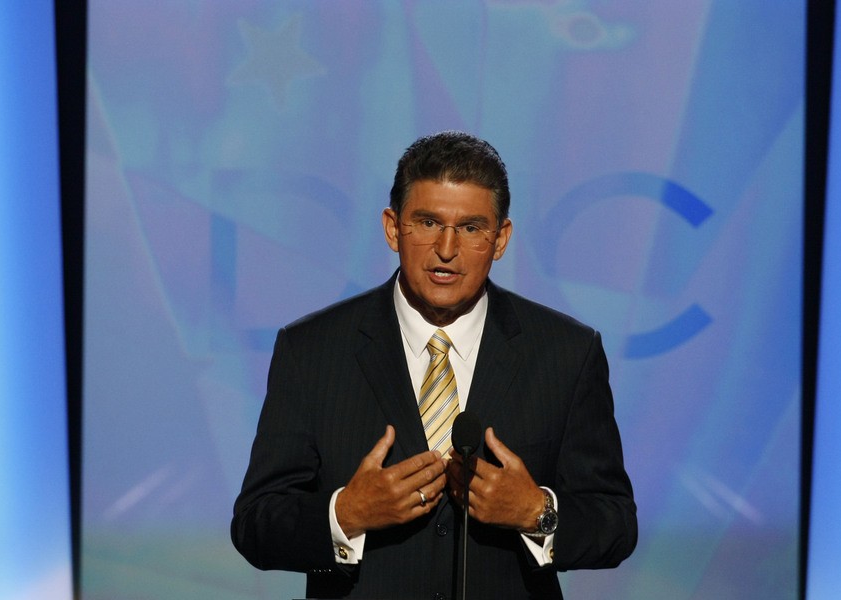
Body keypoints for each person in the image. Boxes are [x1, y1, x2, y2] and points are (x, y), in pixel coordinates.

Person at [231, 131, 637, 599]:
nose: (446, 248)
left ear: (500, 238)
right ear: (392, 227)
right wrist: (346, 514)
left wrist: (536, 512)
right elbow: (255, 527)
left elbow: (616, 525)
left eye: (470, 227)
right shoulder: (312, 350)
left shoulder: (567, 352)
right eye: (427, 222)